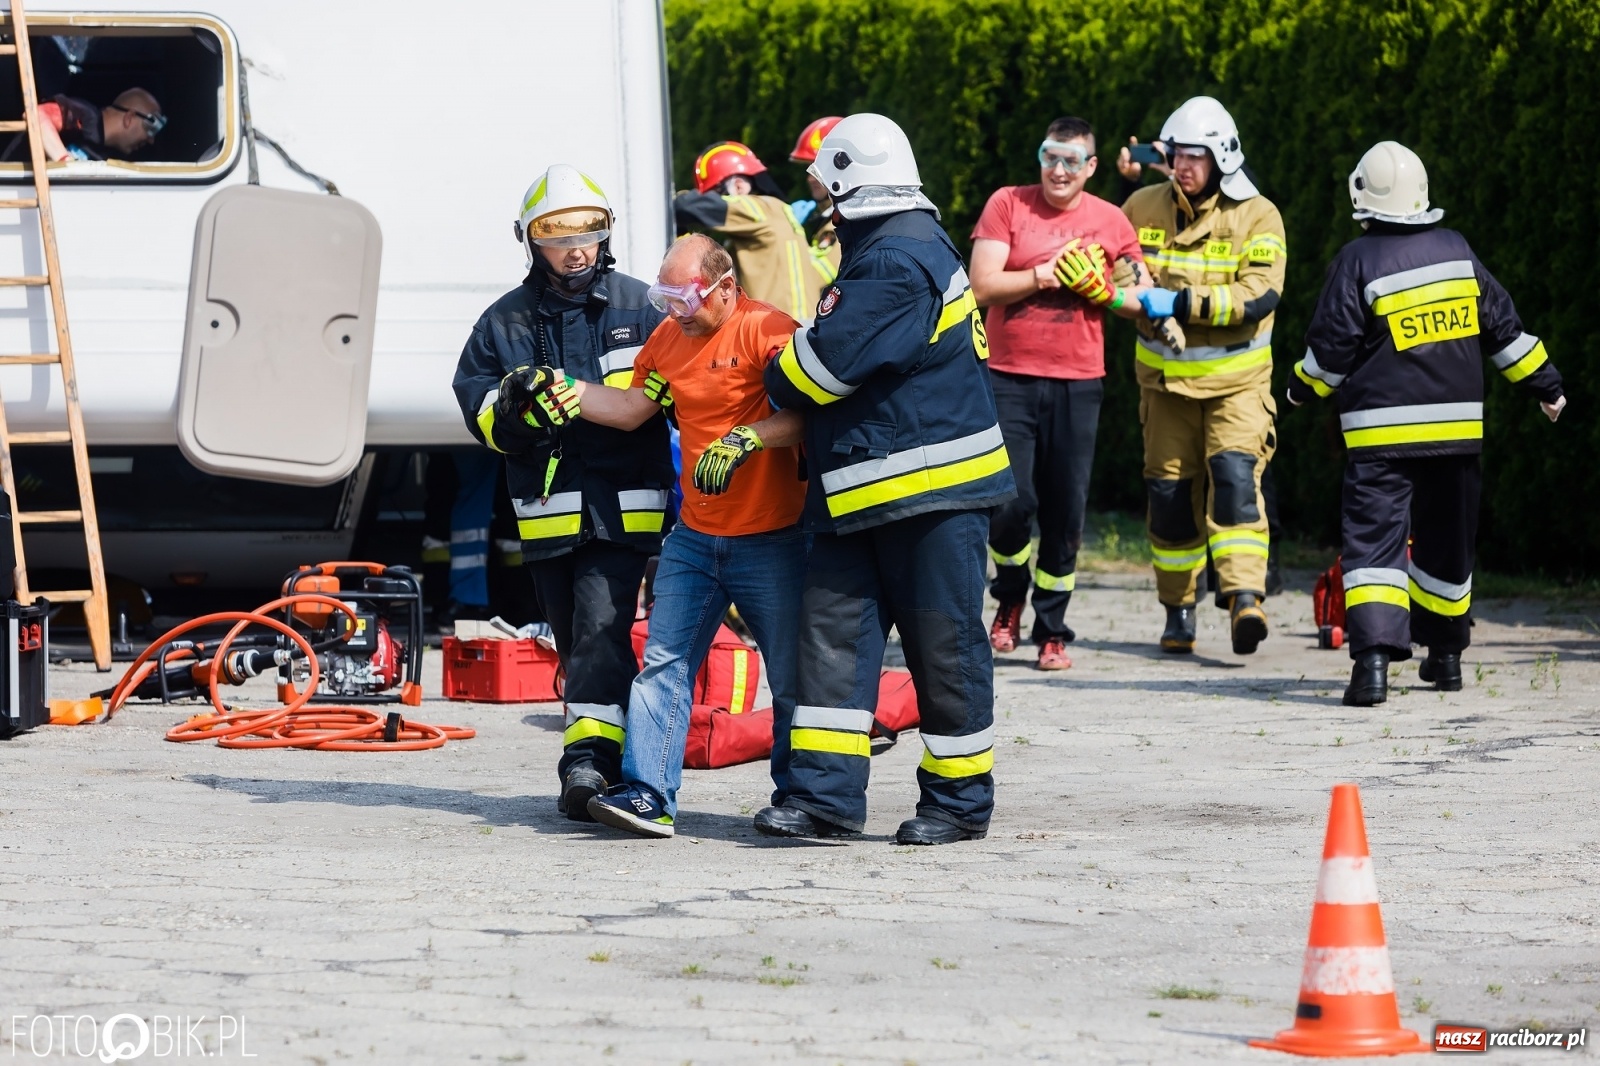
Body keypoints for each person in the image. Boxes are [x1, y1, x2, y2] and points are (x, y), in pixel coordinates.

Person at [759, 113, 1015, 846]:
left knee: (946, 654)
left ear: (848, 180)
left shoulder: (897, 260)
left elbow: (821, 369)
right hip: (863, 495)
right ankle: (824, 802)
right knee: (832, 649)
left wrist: (777, 365)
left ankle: (959, 805)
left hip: (930, 497)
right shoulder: (891, 246)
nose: (813, 193)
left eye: (820, 179)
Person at [537, 234, 808, 838]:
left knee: (790, 673)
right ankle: (650, 795)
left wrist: (750, 439)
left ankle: (799, 798)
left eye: (685, 298)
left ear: (726, 287)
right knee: (663, 663)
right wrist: (569, 392)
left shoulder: (770, 332)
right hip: (694, 536)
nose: (672, 312)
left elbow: (811, 412)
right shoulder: (667, 340)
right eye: (664, 297)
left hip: (774, 537)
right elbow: (634, 407)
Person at [1287, 141, 1565, 707]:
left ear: (1363, 196)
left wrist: (1298, 388)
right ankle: (1446, 661)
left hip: (1381, 441)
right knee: (1447, 546)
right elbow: (1504, 332)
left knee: (1374, 548)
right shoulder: (1458, 252)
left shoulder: (1358, 260)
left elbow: (1331, 352)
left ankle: (1372, 669)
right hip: (1456, 437)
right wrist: (1548, 386)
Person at [452, 163, 671, 820]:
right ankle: (603, 758)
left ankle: (588, 766)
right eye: (558, 234)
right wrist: (516, 412)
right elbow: (481, 416)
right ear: (531, 240)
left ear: (606, 234)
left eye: (589, 232)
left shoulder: (645, 307)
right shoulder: (503, 322)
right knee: (577, 635)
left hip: (623, 507)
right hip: (549, 515)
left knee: (602, 627)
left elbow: (680, 395)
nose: (576, 248)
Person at [970, 115, 1151, 670]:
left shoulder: (1111, 220)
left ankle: (1052, 629)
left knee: (1066, 511)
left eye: (1073, 160)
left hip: (1078, 381)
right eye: (1052, 156)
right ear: (1040, 156)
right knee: (1007, 503)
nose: (1060, 170)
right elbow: (981, 284)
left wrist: (1105, 293)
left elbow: (1144, 299)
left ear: (1091, 168)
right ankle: (1010, 600)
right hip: (1008, 377)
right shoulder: (1008, 204)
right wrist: (1044, 276)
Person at [1121, 96, 1287, 656]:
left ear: (1222, 159)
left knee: (1237, 485)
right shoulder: (1141, 205)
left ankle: (1245, 600)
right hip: (1163, 388)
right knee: (1169, 497)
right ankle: (1179, 610)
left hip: (1237, 387)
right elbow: (1113, 260)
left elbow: (1258, 296)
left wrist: (1181, 303)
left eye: (1196, 158)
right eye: (1177, 156)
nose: (1184, 168)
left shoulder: (1257, 214)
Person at [672, 140, 827, 322]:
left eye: (717, 193)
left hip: (775, 332)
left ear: (738, 186)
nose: (717, 200)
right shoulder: (775, 212)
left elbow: (687, 206)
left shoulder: (757, 209)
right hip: (801, 326)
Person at [23, 88, 164, 162]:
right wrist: (65, 163)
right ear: (129, 117)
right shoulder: (84, 116)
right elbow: (36, 115)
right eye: (152, 127)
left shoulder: (111, 156)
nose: (151, 140)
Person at [788, 116, 844, 284]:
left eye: (819, 169)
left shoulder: (845, 223)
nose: (810, 179)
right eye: (810, 170)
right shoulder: (817, 218)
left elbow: (817, 276)